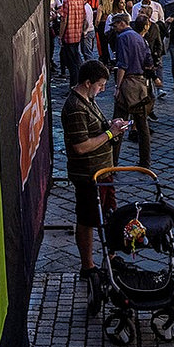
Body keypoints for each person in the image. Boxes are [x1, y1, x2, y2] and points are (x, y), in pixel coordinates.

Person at [62, 61, 129, 275]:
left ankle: (111, 256)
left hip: (103, 172)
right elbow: (81, 146)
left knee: (108, 214)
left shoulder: (88, 100)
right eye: (100, 85)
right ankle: (88, 266)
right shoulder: (75, 107)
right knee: (88, 219)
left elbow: (94, 129)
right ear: (87, 82)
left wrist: (110, 125)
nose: (102, 90)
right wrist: (110, 134)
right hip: (88, 174)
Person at [107, 15, 154, 166]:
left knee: (118, 123)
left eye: (115, 26)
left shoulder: (122, 38)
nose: (114, 29)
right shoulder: (140, 38)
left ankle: (113, 162)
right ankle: (145, 161)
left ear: (122, 23)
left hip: (128, 83)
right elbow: (149, 61)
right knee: (142, 125)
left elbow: (123, 65)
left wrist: (118, 86)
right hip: (140, 84)